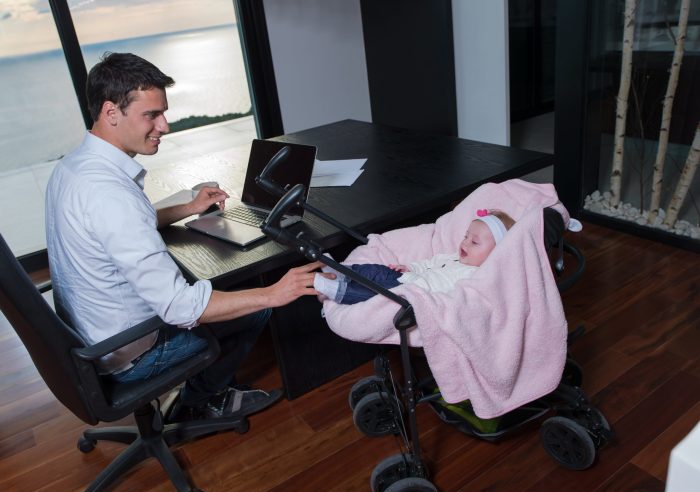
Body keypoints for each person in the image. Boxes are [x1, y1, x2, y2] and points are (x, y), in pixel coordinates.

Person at [45, 52, 329, 423]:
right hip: (127, 355)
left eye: (163, 113)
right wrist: (274, 294)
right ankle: (197, 402)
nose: (164, 126)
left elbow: (118, 227)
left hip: (88, 336)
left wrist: (188, 207)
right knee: (255, 307)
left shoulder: (73, 167)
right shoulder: (110, 196)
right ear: (111, 112)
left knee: (226, 286)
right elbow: (180, 308)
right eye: (152, 115)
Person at [314, 209, 515, 304]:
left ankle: (337, 290)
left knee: (377, 295)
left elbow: (440, 291)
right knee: (376, 270)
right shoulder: (454, 257)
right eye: (466, 236)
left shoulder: (475, 277)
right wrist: (410, 268)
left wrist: (412, 280)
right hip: (407, 279)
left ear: (495, 254)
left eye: (475, 242)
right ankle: (341, 271)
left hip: (413, 293)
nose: (465, 243)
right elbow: (430, 263)